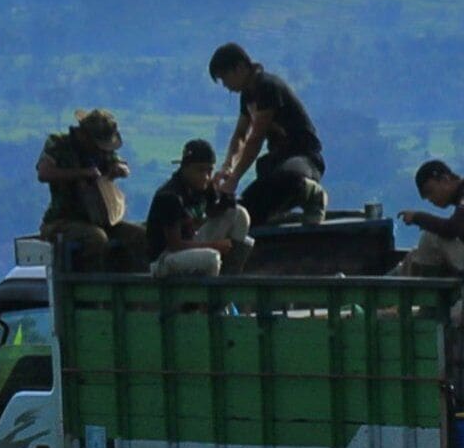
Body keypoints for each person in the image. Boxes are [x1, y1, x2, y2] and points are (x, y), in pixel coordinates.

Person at [207, 42, 327, 227]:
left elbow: (255, 138)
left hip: (305, 158)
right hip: (276, 161)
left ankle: (313, 194)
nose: (225, 85)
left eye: (225, 78)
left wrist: (234, 180)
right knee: (247, 212)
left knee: (288, 177)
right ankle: (274, 212)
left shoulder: (268, 87)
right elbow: (240, 135)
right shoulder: (247, 95)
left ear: (239, 67)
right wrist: (227, 167)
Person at [33, 108, 147, 270]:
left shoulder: (102, 152)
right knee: (95, 239)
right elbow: (44, 173)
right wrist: (82, 174)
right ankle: (94, 285)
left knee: (140, 235)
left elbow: (123, 167)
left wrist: (117, 169)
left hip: (101, 218)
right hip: (63, 220)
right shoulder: (59, 144)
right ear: (85, 135)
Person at [144, 137, 252, 276]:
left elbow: (214, 213)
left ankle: (230, 276)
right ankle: (211, 295)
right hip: (165, 258)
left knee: (239, 214)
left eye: (209, 171)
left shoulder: (201, 186)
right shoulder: (170, 196)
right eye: (200, 170)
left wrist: (224, 191)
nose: (206, 177)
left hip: (189, 244)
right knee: (211, 257)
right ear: (185, 167)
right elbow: (175, 245)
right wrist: (215, 246)